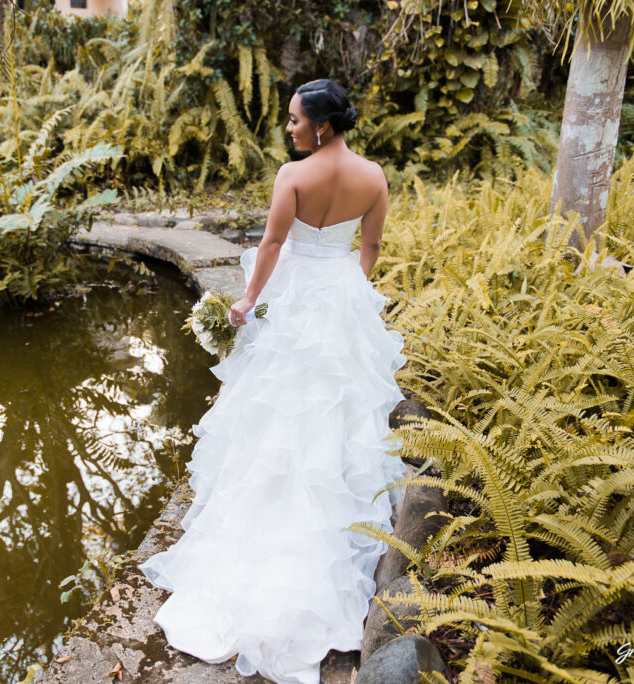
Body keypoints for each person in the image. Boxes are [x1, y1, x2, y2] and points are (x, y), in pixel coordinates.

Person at [139, 78, 408, 684]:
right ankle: (327, 527)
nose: (287, 128)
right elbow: (371, 247)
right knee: (338, 411)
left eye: (293, 120)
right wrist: (348, 290)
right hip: (340, 299)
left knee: (275, 408)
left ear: (321, 125)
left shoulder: (293, 177)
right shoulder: (374, 177)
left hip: (294, 298)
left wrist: (246, 303)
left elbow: (270, 244)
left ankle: (263, 527)